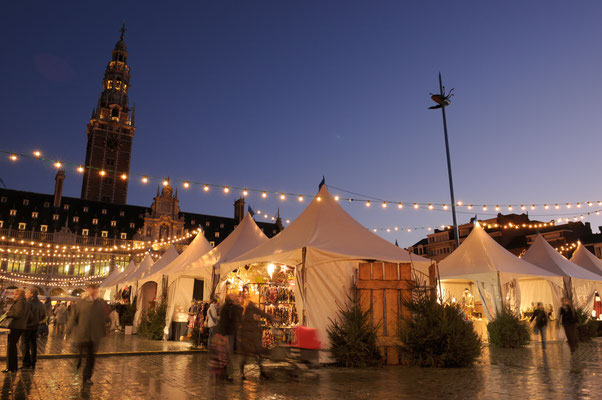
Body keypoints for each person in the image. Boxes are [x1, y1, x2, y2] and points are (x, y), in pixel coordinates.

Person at [66, 284, 107, 384]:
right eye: (92, 289)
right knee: (78, 354)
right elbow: (73, 317)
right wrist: (68, 329)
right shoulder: (81, 303)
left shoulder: (100, 304)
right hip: (82, 333)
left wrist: (103, 332)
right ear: (89, 290)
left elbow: (103, 319)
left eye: (96, 290)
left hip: (94, 335)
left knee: (91, 357)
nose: (94, 292)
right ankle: (77, 366)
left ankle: (87, 376)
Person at [239, 297, 277, 380]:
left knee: (251, 356)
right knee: (254, 356)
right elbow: (262, 313)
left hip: (249, 338)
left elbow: (261, 313)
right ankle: (260, 372)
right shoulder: (250, 310)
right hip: (250, 338)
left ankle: (247, 373)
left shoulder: (246, 312)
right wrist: (270, 317)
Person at [2, 289, 31, 373]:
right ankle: (13, 367)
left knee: (11, 346)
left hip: (15, 326)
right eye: (14, 294)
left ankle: (11, 367)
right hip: (20, 326)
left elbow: (17, 314)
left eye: (16, 295)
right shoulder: (26, 302)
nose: (14, 296)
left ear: (21, 295)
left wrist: (8, 312)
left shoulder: (19, 302)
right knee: (13, 346)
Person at [21, 288, 46, 369]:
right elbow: (43, 315)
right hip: (35, 326)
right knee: (33, 344)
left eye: (27, 293)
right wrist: (38, 321)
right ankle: (33, 361)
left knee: (25, 344)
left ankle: (26, 363)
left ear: (32, 294)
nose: (26, 294)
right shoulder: (41, 304)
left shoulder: (28, 303)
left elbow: (25, 315)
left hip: (27, 326)